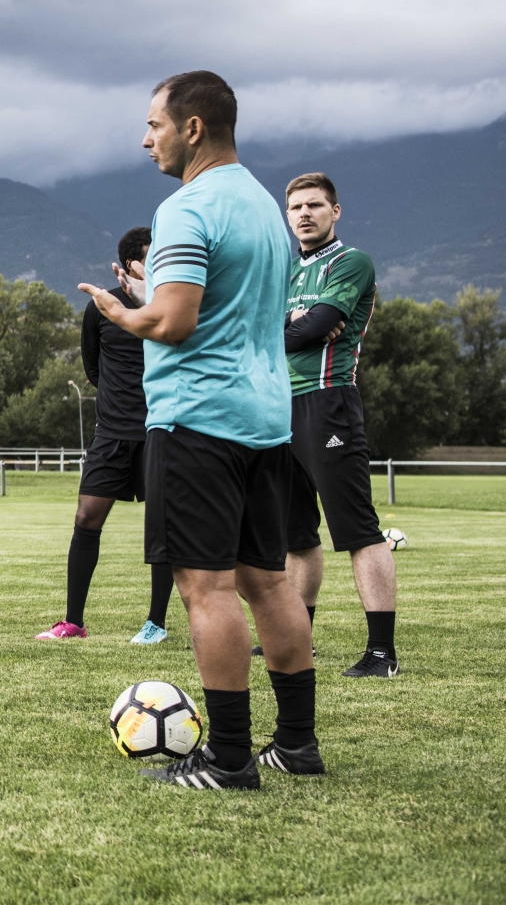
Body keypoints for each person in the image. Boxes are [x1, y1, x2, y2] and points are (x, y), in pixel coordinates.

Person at [79, 70, 321, 789]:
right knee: (268, 581)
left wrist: (123, 312)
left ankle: (229, 759)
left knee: (205, 588)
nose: (144, 137)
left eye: (153, 123)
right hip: (264, 420)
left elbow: (175, 320)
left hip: (198, 419)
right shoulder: (261, 206)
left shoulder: (186, 207)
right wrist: (152, 300)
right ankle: (298, 745)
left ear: (191, 128)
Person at [283, 173, 401, 678]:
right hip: (278, 408)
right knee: (295, 536)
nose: (304, 214)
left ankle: (381, 653)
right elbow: (286, 330)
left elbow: (312, 328)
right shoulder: (285, 270)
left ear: (336, 211)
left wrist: (296, 327)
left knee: (357, 531)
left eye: (314, 205)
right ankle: (295, 642)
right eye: (296, 208)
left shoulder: (350, 262)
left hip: (329, 403)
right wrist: (292, 328)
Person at [36, 227, 177, 643]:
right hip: (113, 432)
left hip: (162, 430)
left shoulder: (174, 302)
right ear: (132, 262)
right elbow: (93, 369)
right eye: (155, 254)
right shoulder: (102, 307)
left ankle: (156, 624)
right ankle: (73, 622)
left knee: (162, 527)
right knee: (86, 518)